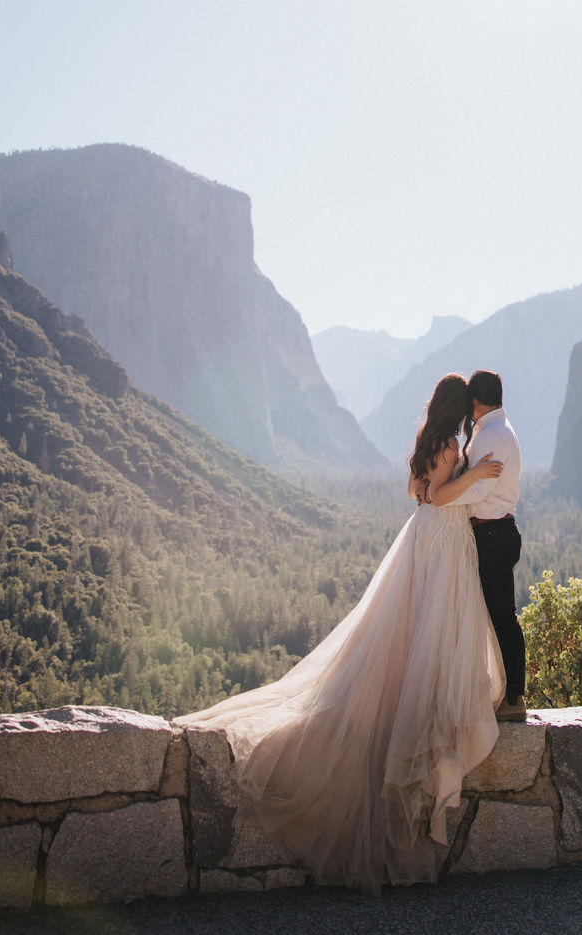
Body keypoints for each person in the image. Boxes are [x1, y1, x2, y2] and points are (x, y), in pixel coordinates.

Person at [174, 373, 505, 894]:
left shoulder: (429, 441)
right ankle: (419, 711)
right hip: (442, 539)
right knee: (431, 628)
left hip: (426, 539)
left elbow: (415, 490)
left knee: (415, 628)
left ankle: (411, 699)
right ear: (458, 409)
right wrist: (479, 472)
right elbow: (438, 497)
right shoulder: (447, 445)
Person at [423, 369, 526, 721]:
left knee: (500, 617)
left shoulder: (491, 435)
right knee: (486, 616)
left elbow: (478, 490)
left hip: (493, 533)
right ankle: (497, 694)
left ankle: (514, 698)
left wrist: (435, 502)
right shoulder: (496, 430)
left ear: (476, 401)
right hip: (494, 532)